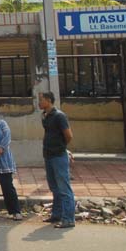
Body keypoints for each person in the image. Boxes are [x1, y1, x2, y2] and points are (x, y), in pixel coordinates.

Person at [39, 91, 75, 228]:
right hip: (48, 155)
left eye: (41, 100)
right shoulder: (45, 116)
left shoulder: (59, 116)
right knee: (54, 187)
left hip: (58, 155)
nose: (39, 102)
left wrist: (62, 148)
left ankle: (68, 219)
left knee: (64, 188)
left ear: (48, 100)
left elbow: (68, 135)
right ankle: (57, 215)